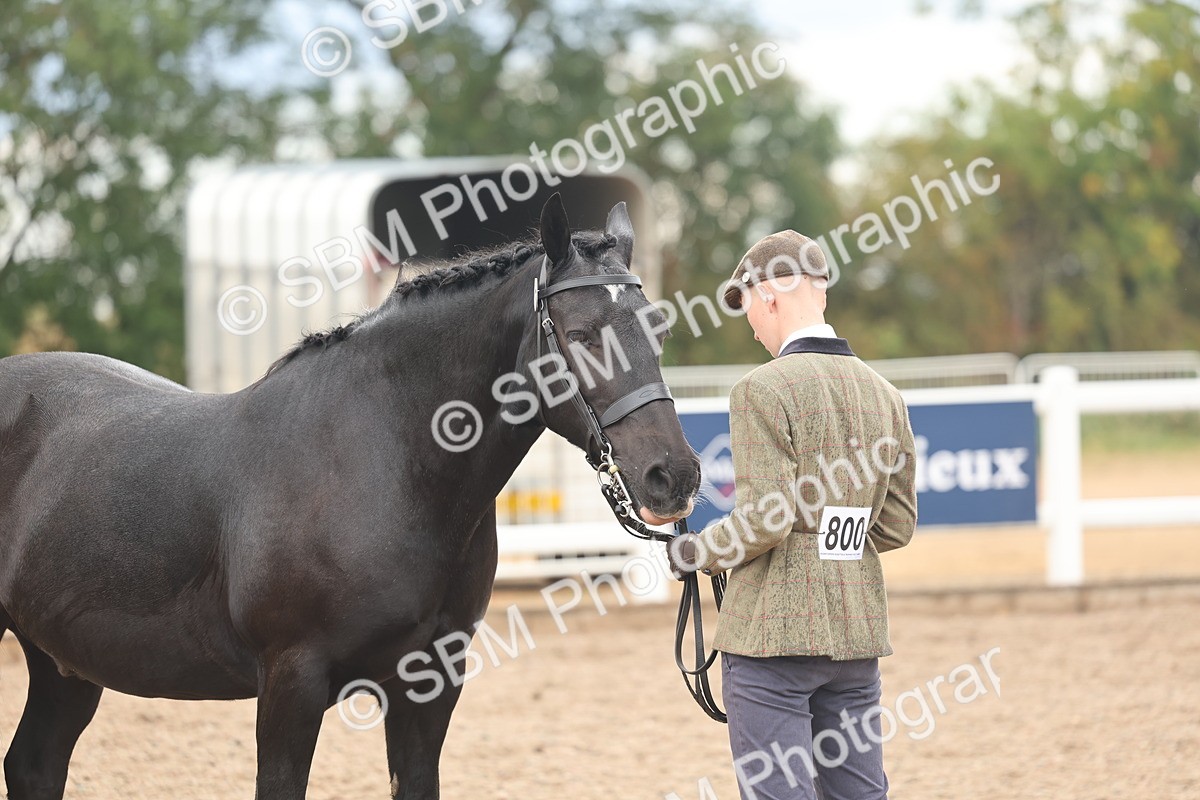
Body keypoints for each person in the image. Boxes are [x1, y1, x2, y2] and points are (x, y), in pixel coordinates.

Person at [668, 230, 918, 800]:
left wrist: (694, 551)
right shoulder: (887, 395)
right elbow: (897, 524)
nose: (752, 323)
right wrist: (833, 536)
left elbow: (765, 522)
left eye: (749, 308)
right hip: (856, 633)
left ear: (770, 297)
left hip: (771, 639)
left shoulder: (761, 390)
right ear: (821, 293)